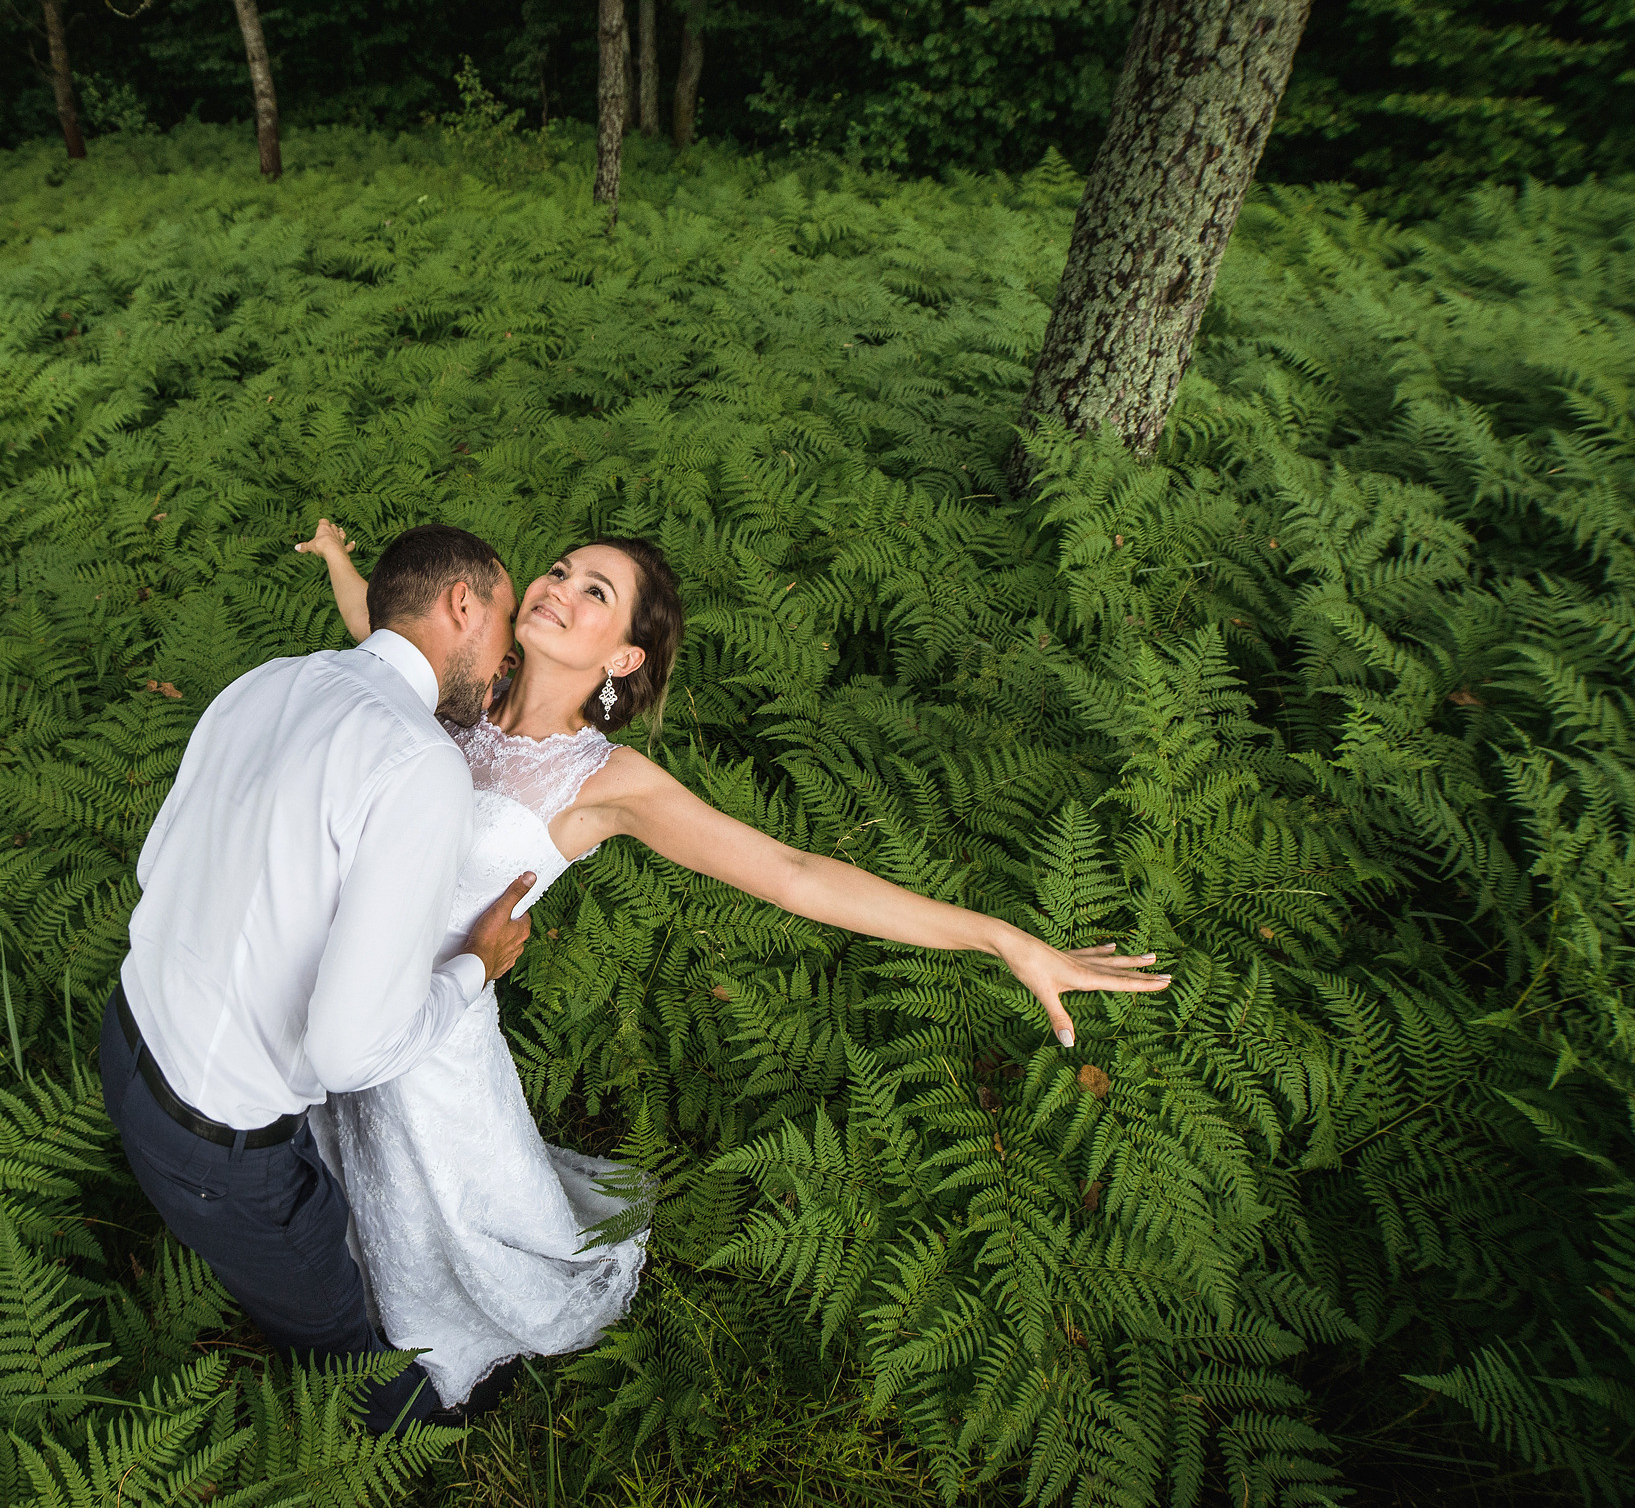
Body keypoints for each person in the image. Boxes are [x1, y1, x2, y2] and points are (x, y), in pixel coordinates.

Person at [293, 518, 1173, 1412]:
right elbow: (383, 628)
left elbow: (795, 874)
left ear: (626, 660)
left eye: (595, 591)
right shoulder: (464, 693)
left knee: (432, 1221)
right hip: (354, 986)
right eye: (560, 570)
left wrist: (1004, 939)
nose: (558, 587)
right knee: (342, 1166)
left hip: (439, 1038)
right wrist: (338, 559)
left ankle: (410, 1360)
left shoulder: (608, 784)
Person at [99, 523, 537, 1434]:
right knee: (337, 1335)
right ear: (465, 602)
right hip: (218, 1149)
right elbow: (346, 1048)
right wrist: (472, 967)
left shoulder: (268, 678)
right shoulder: (420, 766)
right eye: (506, 634)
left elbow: (159, 860)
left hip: (126, 1036)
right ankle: (408, 1446)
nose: (507, 666)